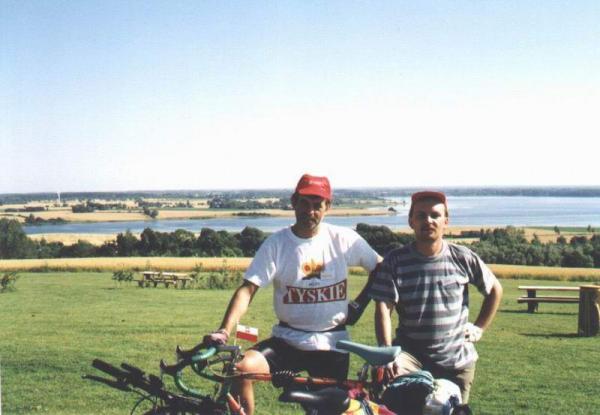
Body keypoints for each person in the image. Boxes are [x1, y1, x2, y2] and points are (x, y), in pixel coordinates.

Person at [203, 174, 382, 415]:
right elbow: (248, 289)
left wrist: (359, 305)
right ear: (293, 202)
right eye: (304, 203)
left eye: (317, 205)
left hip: (332, 343)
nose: (310, 211)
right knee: (241, 368)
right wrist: (224, 330)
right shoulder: (277, 243)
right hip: (287, 339)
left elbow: (380, 268)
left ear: (328, 206)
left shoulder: (343, 239)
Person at [369, 191, 503, 404]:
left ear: (446, 221)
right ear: (411, 221)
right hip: (410, 358)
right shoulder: (395, 261)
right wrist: (386, 352)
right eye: (421, 215)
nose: (428, 221)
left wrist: (479, 327)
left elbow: (495, 290)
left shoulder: (463, 257)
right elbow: (384, 308)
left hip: (456, 362)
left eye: (435, 215)